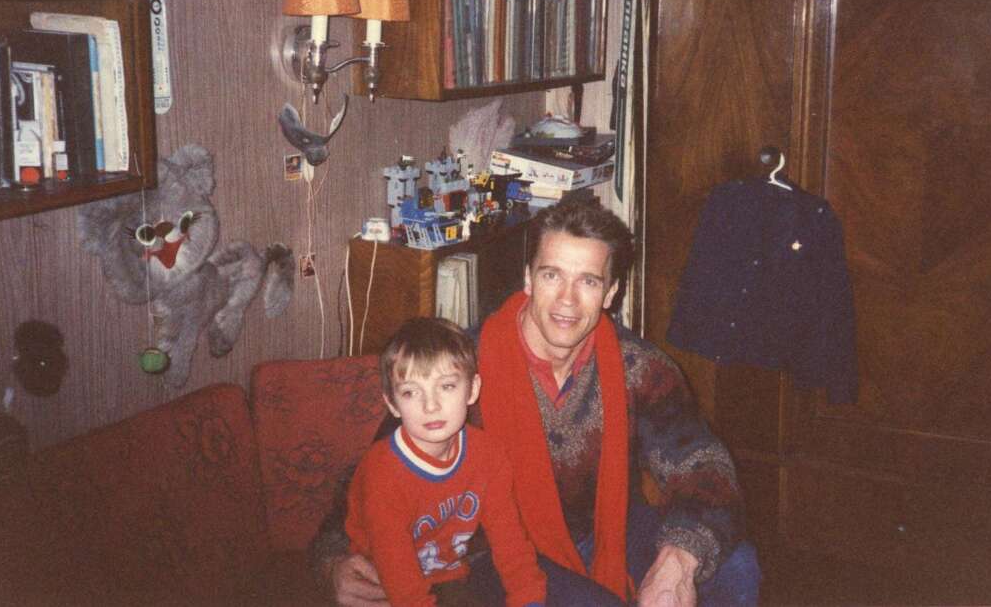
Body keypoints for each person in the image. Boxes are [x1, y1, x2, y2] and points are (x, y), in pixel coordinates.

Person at [311, 196, 760, 606]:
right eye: (552, 275)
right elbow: (374, 472)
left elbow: (706, 467)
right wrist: (334, 561)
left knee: (736, 566)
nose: (566, 300)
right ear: (528, 278)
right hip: (495, 554)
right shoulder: (460, 371)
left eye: (587, 281)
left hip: (607, 531)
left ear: (611, 293)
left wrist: (678, 560)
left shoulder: (639, 368)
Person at [343, 316, 546, 607]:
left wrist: (530, 600)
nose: (431, 405)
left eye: (447, 386)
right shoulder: (383, 474)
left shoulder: (488, 455)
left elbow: (511, 544)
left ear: (472, 390)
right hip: (379, 584)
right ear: (392, 403)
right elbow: (403, 588)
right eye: (411, 392)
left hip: (449, 575)